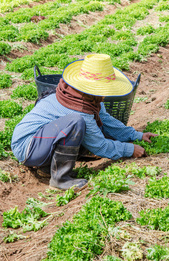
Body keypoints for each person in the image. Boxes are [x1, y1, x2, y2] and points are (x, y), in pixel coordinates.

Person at [11, 54, 157, 190]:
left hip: (41, 142)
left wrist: (136, 135)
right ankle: (60, 179)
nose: (106, 94)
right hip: (27, 147)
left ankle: (47, 167)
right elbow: (100, 146)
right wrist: (130, 150)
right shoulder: (80, 108)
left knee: (81, 130)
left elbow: (106, 121)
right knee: (76, 123)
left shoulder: (86, 98)